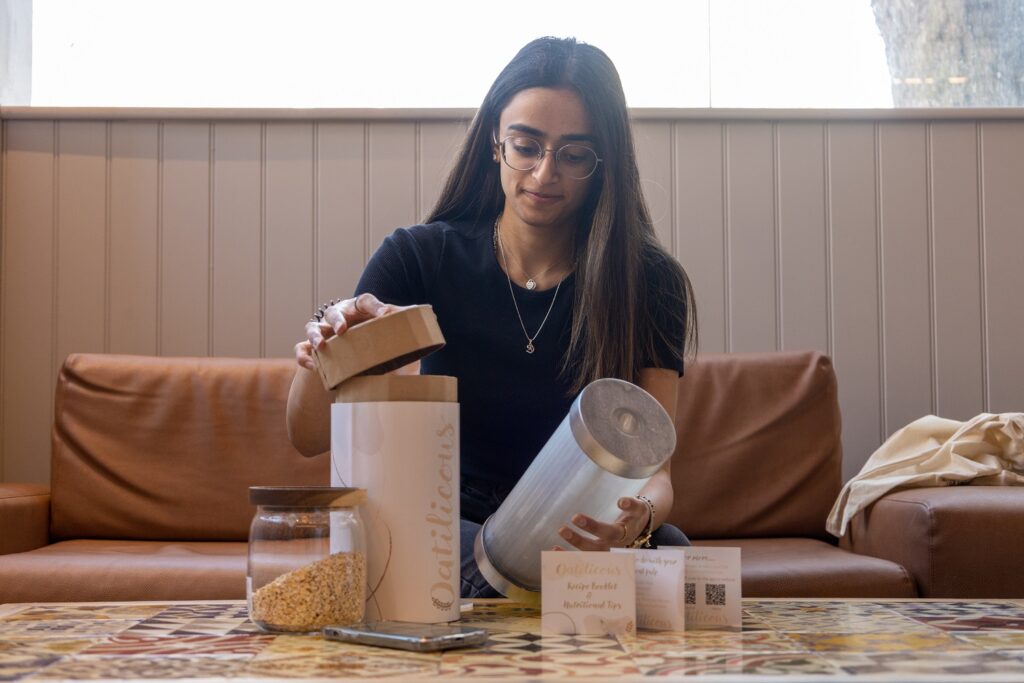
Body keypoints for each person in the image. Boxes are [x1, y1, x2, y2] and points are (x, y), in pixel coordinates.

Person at [287, 36, 697, 598]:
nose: (545, 172)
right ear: (494, 144)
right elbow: (307, 436)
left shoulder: (650, 282)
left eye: (574, 155)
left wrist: (636, 519)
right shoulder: (419, 257)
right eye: (526, 145)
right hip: (450, 524)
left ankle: (528, 597)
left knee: (674, 555)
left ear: (605, 165)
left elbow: (659, 473)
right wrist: (329, 349)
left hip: (579, 527)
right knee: (448, 551)